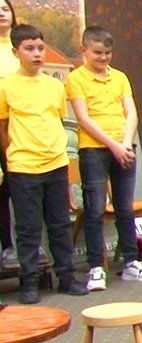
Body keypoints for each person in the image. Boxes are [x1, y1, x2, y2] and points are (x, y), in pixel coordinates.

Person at [0, 23, 88, 304]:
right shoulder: (5, 87)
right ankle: (29, 282)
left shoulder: (54, 86)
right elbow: (3, 128)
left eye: (40, 48)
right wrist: (13, 154)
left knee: (60, 224)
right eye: (30, 48)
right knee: (28, 228)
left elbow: (57, 120)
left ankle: (66, 277)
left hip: (55, 163)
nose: (37, 53)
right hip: (23, 166)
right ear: (16, 52)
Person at [67, 25, 142, 291]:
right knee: (95, 209)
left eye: (107, 53)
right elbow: (83, 119)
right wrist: (114, 146)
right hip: (94, 150)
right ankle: (96, 268)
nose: (103, 57)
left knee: (124, 208)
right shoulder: (76, 78)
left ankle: (131, 263)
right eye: (97, 52)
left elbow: (132, 113)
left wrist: (126, 144)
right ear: (83, 50)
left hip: (124, 147)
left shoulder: (120, 77)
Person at [0, 0, 18, 269]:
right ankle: (7, 246)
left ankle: (26, 246)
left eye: (4, 8)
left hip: (20, 125)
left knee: (19, 186)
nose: (0, 13)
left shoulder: (22, 46)